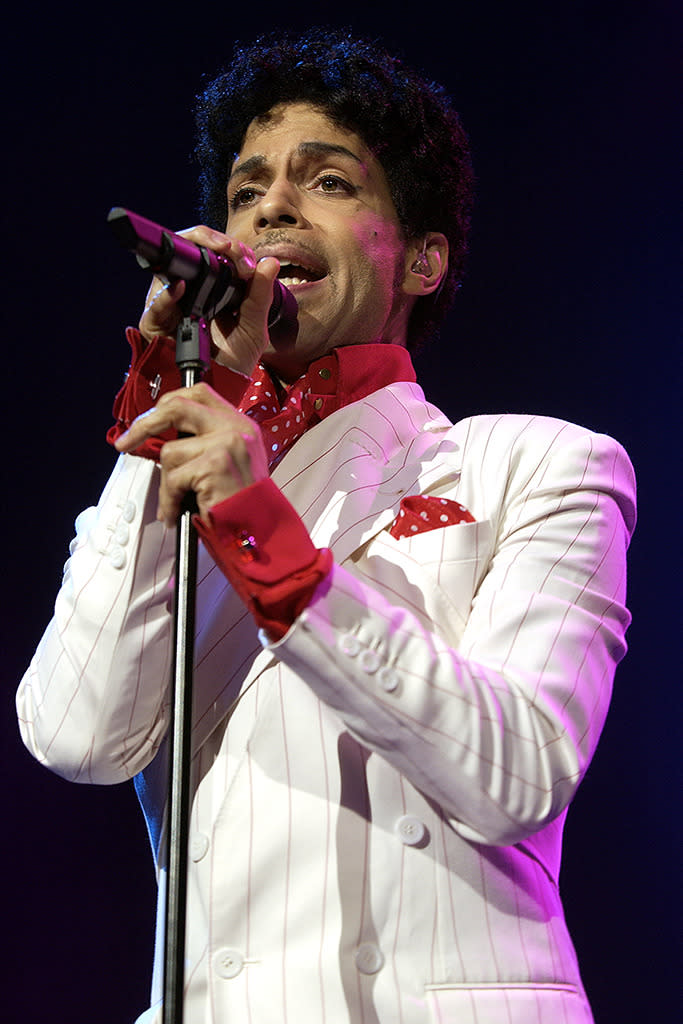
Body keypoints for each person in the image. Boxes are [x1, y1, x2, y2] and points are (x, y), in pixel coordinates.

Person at [16, 29, 636, 1024]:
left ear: (423, 258)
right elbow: (77, 731)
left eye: (328, 181)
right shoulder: (163, 485)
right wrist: (187, 385)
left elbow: (519, 767)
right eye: (247, 186)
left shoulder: (537, 465)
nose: (270, 207)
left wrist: (264, 533)